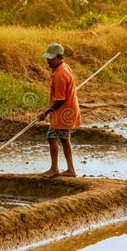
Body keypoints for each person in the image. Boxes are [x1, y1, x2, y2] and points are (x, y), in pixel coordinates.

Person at [37, 43, 81, 178]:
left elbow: (60, 99)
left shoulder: (60, 74)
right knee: (64, 139)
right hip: (68, 110)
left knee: (51, 137)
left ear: (60, 57)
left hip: (63, 112)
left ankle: (54, 168)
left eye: (51, 58)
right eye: (48, 58)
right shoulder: (64, 67)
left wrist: (46, 113)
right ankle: (70, 169)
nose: (49, 61)